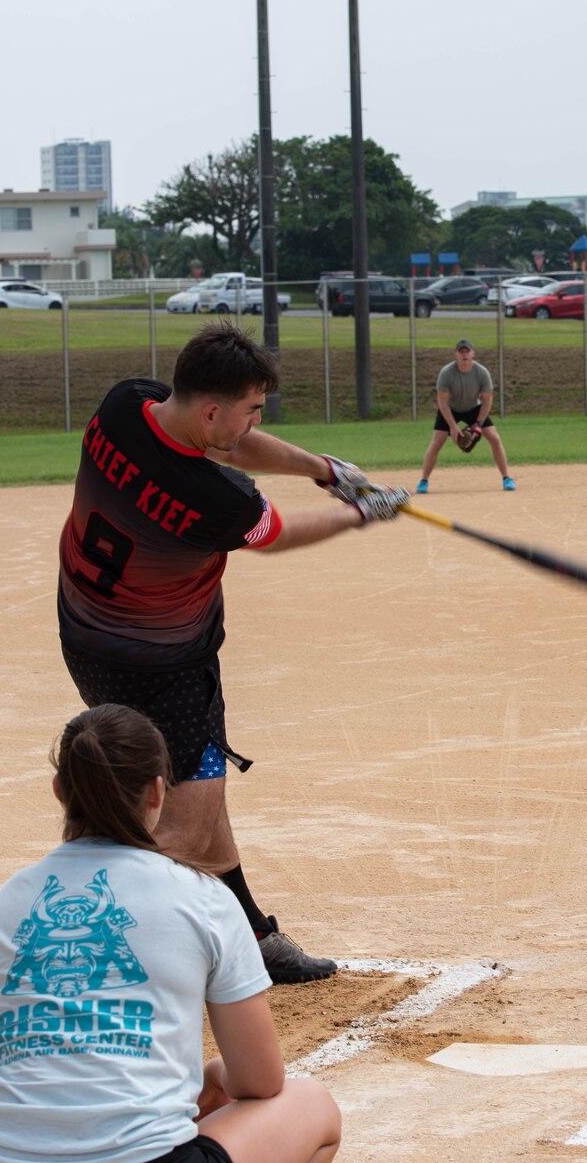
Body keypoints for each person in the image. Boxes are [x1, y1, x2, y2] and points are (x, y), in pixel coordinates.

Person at [57, 322, 408, 984]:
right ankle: (68, 951)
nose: (254, 423)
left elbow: (229, 443)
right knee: (183, 828)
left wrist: (325, 469)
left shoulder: (125, 403)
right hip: (167, 667)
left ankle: (250, 931)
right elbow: (275, 533)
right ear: (214, 409)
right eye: (250, 410)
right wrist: (363, 512)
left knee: (206, 788)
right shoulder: (215, 496)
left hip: (85, 634)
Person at [0, 704, 341, 1163]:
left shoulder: (3, 905)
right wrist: (214, 1077)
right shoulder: (205, 898)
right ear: (158, 792)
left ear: (60, 791)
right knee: (314, 1107)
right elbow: (260, 1081)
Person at [416, 339, 513, 492]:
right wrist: (453, 427)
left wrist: (479, 426)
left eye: (467, 351)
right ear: (456, 355)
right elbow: (442, 403)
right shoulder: (446, 373)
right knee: (437, 443)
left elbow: (487, 401)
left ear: (473, 353)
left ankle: (507, 478)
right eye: (461, 352)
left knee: (495, 438)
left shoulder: (482, 373)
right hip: (450, 409)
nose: (464, 354)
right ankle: (423, 481)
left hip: (474, 408)